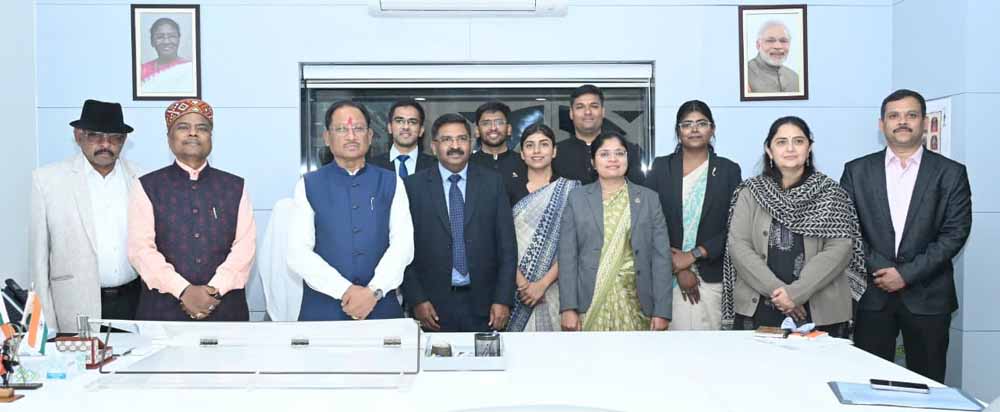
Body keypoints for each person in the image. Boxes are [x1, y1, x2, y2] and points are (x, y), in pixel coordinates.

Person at [841, 89, 972, 382]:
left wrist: (905, 274)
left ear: (924, 122)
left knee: (927, 384)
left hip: (929, 297)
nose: (902, 122)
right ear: (882, 124)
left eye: (911, 115)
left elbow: (955, 233)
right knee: (867, 383)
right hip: (872, 295)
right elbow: (847, 229)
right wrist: (880, 269)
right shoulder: (856, 170)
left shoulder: (951, 173)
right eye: (894, 116)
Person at [721, 116, 866, 337]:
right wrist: (779, 293)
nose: (790, 148)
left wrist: (796, 293)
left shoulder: (831, 193)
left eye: (798, 141)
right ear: (769, 150)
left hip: (820, 308)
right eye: (781, 142)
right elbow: (738, 246)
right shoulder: (750, 192)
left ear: (809, 148)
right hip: (759, 306)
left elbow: (840, 248)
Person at [128, 99, 256, 321]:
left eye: (202, 128)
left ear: (211, 137)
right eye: (183, 127)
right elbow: (141, 250)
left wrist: (214, 290)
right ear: (169, 137)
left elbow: (245, 248)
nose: (193, 133)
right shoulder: (147, 186)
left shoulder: (235, 186)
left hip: (225, 309)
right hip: (163, 310)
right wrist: (183, 290)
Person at [287, 100, 414, 321]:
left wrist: (373, 291)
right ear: (327, 137)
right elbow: (298, 253)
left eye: (358, 128)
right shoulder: (308, 185)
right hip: (323, 309)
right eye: (341, 129)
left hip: (380, 306)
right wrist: (345, 291)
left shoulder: (392, 182)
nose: (351, 136)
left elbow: (403, 246)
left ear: (370, 136)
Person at [30, 100, 143, 334]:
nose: (105, 144)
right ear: (78, 136)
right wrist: (46, 326)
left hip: (135, 305)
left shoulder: (142, 179)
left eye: (114, 137)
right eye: (95, 136)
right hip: (74, 307)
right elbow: (38, 263)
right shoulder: (47, 181)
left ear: (124, 140)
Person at [402, 113, 517, 332]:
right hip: (431, 307)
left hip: (486, 305)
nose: (455, 146)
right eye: (447, 139)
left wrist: (503, 299)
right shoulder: (412, 187)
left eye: (462, 139)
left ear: (471, 143)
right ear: (434, 146)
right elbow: (403, 249)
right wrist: (417, 300)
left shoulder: (492, 183)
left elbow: (507, 247)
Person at [558, 131, 671, 332]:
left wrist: (662, 311)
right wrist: (568, 308)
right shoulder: (577, 198)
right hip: (589, 303)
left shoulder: (649, 199)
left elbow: (661, 257)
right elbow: (567, 257)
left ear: (628, 158)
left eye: (619, 153)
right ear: (593, 162)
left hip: (636, 303)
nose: (613, 159)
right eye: (604, 154)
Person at [644, 100, 741, 330]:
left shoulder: (728, 170)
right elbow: (647, 221)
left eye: (701, 123)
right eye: (687, 124)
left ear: (712, 129)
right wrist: (678, 267)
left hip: (711, 274)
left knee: (708, 346)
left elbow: (735, 226)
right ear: (678, 131)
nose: (694, 129)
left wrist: (694, 255)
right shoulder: (661, 168)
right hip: (666, 275)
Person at [506, 124, 580, 332]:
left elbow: (573, 245)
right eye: (530, 145)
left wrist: (542, 284)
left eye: (544, 144)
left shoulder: (572, 190)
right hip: (514, 287)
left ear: (554, 151)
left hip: (557, 287)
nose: (537, 151)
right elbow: (501, 241)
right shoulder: (505, 189)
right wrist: (523, 284)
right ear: (522, 154)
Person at [552, 84, 645, 185]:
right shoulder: (555, 153)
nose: (588, 112)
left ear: (603, 112)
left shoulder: (626, 150)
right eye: (580, 107)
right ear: (571, 113)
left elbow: (638, 190)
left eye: (594, 106)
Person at [369, 98, 436, 178]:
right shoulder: (371, 166)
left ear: (421, 130)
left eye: (412, 122)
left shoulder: (436, 166)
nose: (406, 127)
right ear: (389, 127)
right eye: (399, 121)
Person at [470, 101, 526, 182]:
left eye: (499, 123)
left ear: (509, 129)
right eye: (486, 123)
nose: (493, 128)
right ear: (477, 131)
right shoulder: (467, 164)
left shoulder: (524, 163)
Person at [141, 17, 194, 93]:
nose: (166, 42)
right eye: (160, 37)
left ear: (179, 39)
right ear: (152, 41)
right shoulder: (142, 70)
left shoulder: (191, 69)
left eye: (172, 36)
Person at [747, 20, 800, 93]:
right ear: (758, 45)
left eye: (783, 41)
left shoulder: (795, 78)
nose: (778, 46)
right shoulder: (745, 75)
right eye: (770, 41)